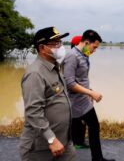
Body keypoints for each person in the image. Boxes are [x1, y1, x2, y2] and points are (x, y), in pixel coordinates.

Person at [19, 27, 76, 161]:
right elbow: (33, 111)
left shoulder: (55, 67)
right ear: (42, 48)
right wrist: (51, 139)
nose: (60, 46)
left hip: (64, 142)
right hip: (42, 147)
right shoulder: (35, 73)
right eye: (55, 43)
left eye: (60, 42)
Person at [63, 30, 115, 161]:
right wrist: (91, 93)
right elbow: (69, 83)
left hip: (83, 99)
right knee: (67, 132)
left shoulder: (84, 54)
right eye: (94, 47)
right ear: (86, 42)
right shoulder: (72, 56)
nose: (95, 50)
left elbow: (81, 78)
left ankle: (97, 158)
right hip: (75, 101)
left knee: (94, 126)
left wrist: (88, 90)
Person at [70, 35, 89, 149]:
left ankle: (79, 141)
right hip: (75, 94)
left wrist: (88, 91)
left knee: (80, 119)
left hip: (81, 93)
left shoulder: (83, 57)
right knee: (77, 119)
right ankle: (77, 142)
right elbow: (71, 80)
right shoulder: (73, 58)